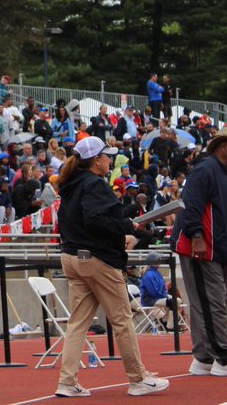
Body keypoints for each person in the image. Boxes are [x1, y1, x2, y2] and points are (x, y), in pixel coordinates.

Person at [53, 136, 168, 398]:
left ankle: (67, 382)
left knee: (78, 323)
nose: (110, 160)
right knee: (122, 319)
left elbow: (93, 218)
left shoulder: (71, 185)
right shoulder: (94, 184)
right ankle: (137, 378)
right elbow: (97, 220)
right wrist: (128, 228)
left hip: (72, 257)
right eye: (107, 156)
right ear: (96, 161)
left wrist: (126, 221)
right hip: (97, 260)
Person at [170, 126, 227, 377]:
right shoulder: (206, 170)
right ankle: (224, 358)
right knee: (213, 304)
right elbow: (190, 206)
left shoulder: (224, 175)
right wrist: (197, 237)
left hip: (217, 251)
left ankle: (204, 358)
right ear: (222, 145)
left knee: (208, 304)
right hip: (203, 249)